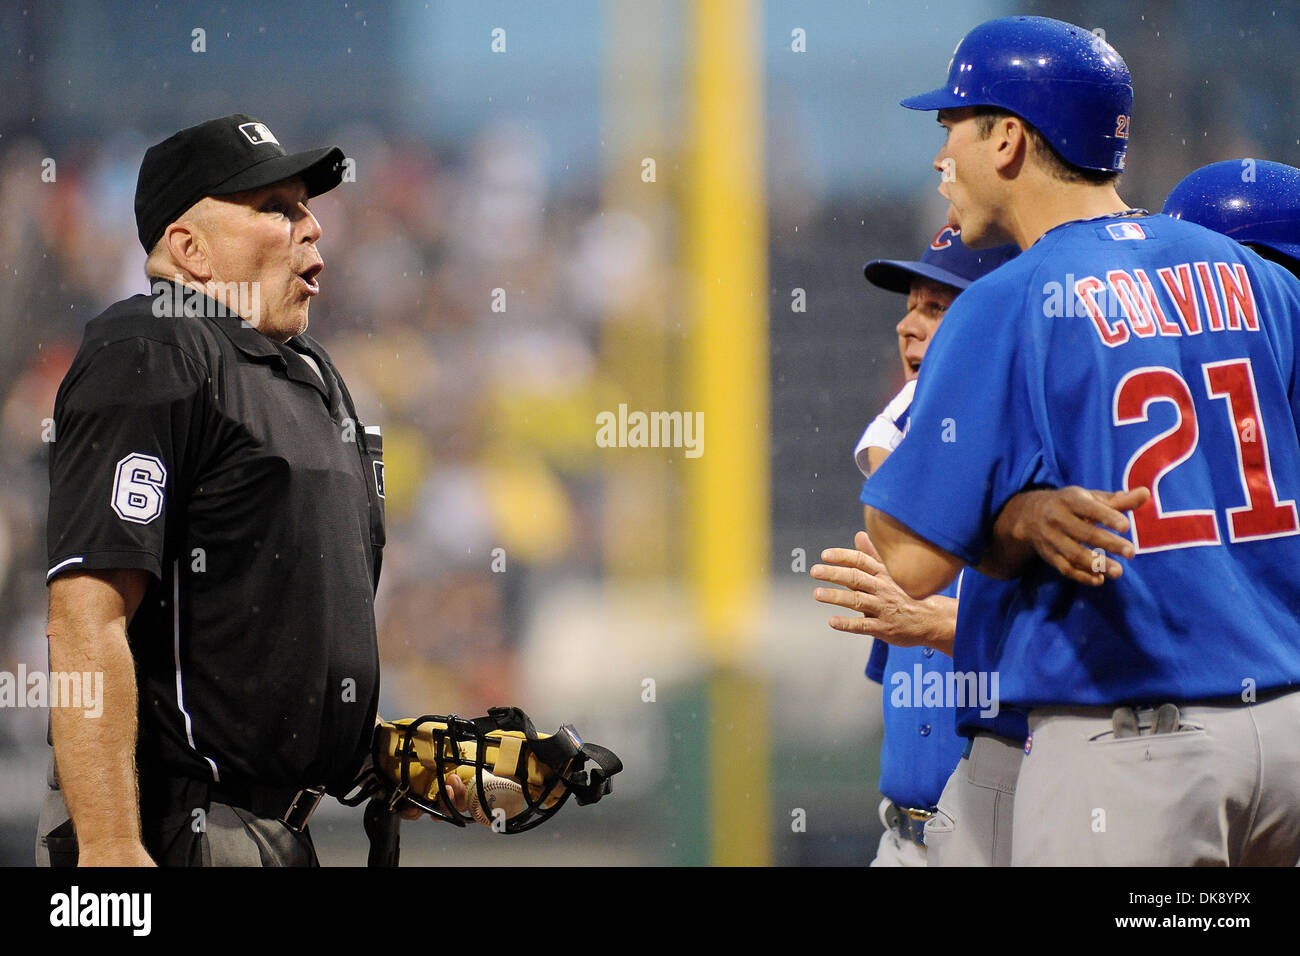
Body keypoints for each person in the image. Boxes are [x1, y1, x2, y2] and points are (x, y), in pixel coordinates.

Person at [862, 16, 1300, 865]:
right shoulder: (1257, 277)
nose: (939, 157)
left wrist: (963, 492)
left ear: (1010, 141)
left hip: (1139, 752)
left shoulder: (1005, 301)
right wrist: (1024, 514)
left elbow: (910, 563)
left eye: (953, 124)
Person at [39, 114, 461, 867]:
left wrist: (406, 764)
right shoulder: (153, 346)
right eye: (276, 208)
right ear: (188, 248)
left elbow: (265, 660)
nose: (312, 228)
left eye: (307, 207)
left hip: (281, 835)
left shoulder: (311, 378)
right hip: (177, 827)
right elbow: (85, 616)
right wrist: (109, 849)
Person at [813, 226, 1018, 865]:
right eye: (910, 305)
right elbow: (904, 704)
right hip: (903, 836)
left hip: (1006, 836)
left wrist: (931, 624)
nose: (908, 325)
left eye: (936, 308)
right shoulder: (905, 509)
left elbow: (1064, 650)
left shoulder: (1032, 485)